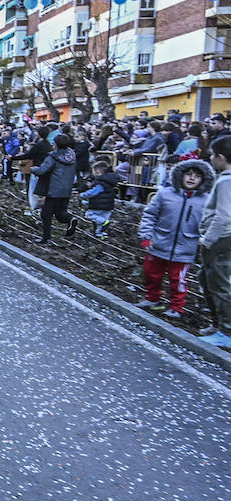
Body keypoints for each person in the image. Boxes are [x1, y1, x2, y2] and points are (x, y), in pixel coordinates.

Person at [137, 158, 215, 319]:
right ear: (180, 175)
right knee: (151, 273)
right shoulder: (165, 194)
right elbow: (150, 215)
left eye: (197, 176)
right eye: (189, 174)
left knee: (178, 279)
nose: (192, 178)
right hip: (158, 244)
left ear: (203, 180)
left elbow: (210, 223)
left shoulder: (206, 200)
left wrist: (207, 240)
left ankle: (176, 307)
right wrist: (146, 236)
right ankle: (153, 298)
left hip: (185, 248)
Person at [198, 135, 231, 347]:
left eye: (212, 155)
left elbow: (224, 215)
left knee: (219, 284)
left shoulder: (226, 180)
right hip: (221, 237)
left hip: (220, 238)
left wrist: (208, 239)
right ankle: (218, 324)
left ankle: (226, 331)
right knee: (207, 280)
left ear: (220, 157)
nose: (210, 159)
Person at [33, 134, 79, 244]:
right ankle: (70, 219)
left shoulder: (52, 157)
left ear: (56, 144)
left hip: (53, 189)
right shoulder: (72, 156)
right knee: (60, 213)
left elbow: (42, 171)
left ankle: (46, 238)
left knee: (46, 214)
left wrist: (34, 169)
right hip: (66, 189)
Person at [78, 159, 120, 238]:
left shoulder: (100, 182)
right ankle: (100, 234)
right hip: (109, 205)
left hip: (98, 205)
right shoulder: (110, 181)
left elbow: (93, 192)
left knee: (89, 215)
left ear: (98, 172)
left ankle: (104, 222)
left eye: (93, 172)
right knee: (102, 221)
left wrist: (82, 195)